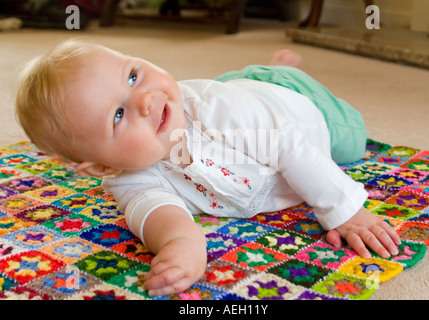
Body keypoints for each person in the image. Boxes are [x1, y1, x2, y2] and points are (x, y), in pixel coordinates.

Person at [15, 39, 401, 296]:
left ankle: (277, 69)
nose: (146, 100)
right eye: (118, 114)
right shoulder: (127, 177)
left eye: (133, 76)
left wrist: (345, 211)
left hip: (296, 105)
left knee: (354, 140)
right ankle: (259, 71)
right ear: (100, 165)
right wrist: (183, 243)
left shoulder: (217, 109)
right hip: (237, 93)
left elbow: (289, 145)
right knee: (235, 87)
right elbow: (154, 211)